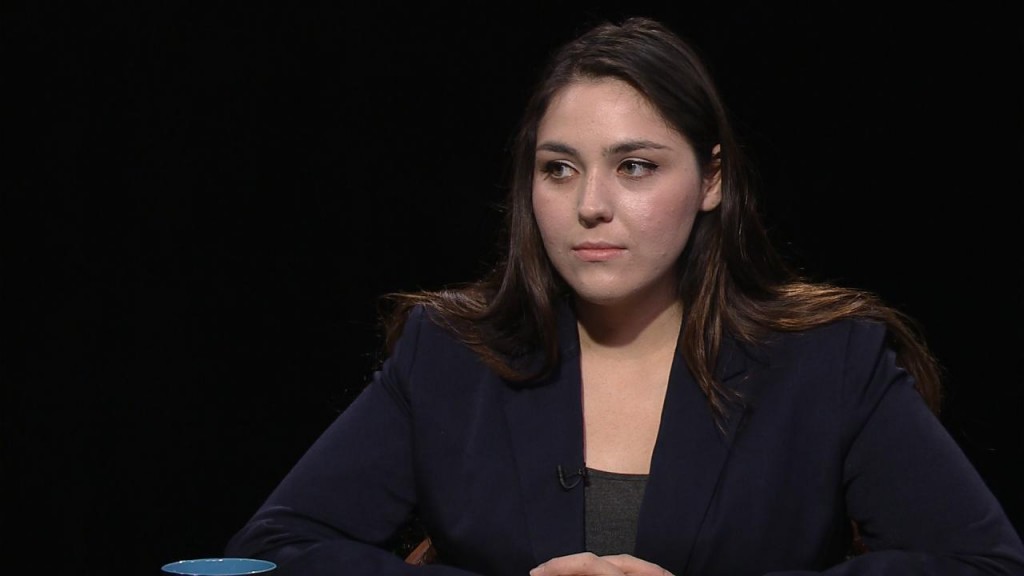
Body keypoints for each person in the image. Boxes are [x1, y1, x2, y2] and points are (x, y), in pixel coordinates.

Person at [224, 16, 1024, 576]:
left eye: (635, 166)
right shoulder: (451, 355)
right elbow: (275, 550)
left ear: (712, 179)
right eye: (558, 168)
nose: (589, 206)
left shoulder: (829, 362)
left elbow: (983, 564)